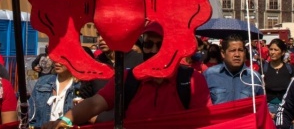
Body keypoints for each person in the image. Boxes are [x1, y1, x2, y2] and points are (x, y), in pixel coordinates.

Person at [43, 23, 211, 127]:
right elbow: (94, 104)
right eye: (148, 44)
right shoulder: (127, 78)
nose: (152, 50)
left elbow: (206, 121)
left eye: (160, 45)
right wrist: (65, 120)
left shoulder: (192, 80)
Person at [204, 34, 265, 105]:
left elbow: (261, 106)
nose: (237, 54)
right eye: (232, 50)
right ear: (223, 53)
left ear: (245, 52)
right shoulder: (209, 75)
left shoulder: (254, 77)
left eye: (240, 50)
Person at [29, 60, 82, 127]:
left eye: (62, 59)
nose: (57, 62)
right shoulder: (42, 82)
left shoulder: (81, 86)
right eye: (56, 58)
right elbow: (31, 116)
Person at [260, 38, 294, 114]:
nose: (272, 52)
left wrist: (293, 112)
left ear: (282, 52)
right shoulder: (263, 69)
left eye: (276, 50)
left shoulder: (289, 69)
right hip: (268, 108)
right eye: (271, 49)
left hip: (285, 107)